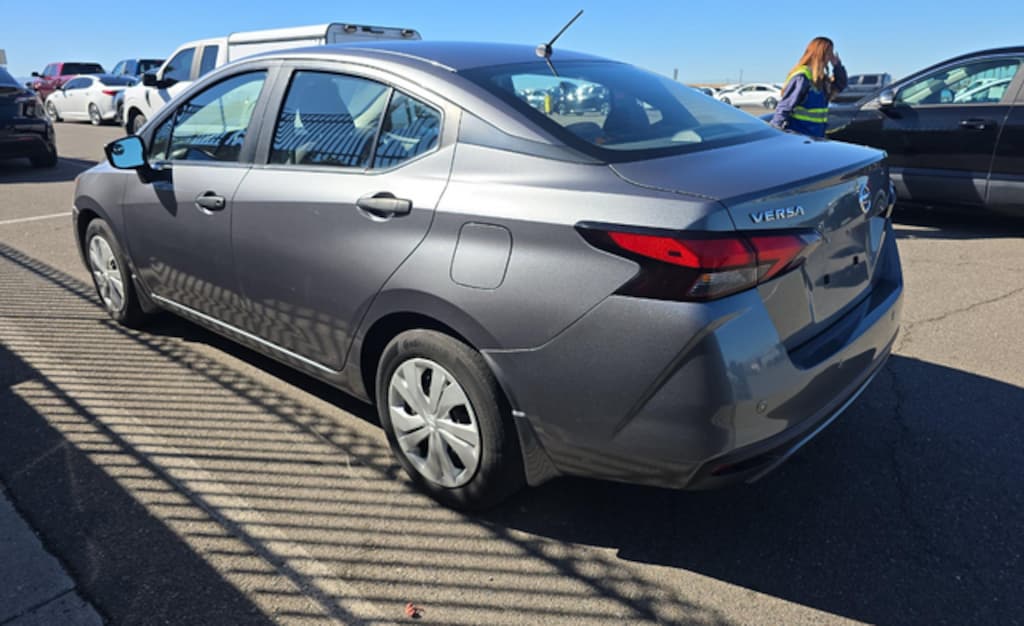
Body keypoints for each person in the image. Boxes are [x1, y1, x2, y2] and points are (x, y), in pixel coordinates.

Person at [770, 37, 847, 137]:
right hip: (799, 137)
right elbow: (784, 107)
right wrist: (774, 132)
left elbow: (840, 85)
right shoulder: (802, 77)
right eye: (829, 53)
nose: (831, 57)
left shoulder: (821, 79)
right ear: (820, 54)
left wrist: (837, 66)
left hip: (816, 137)